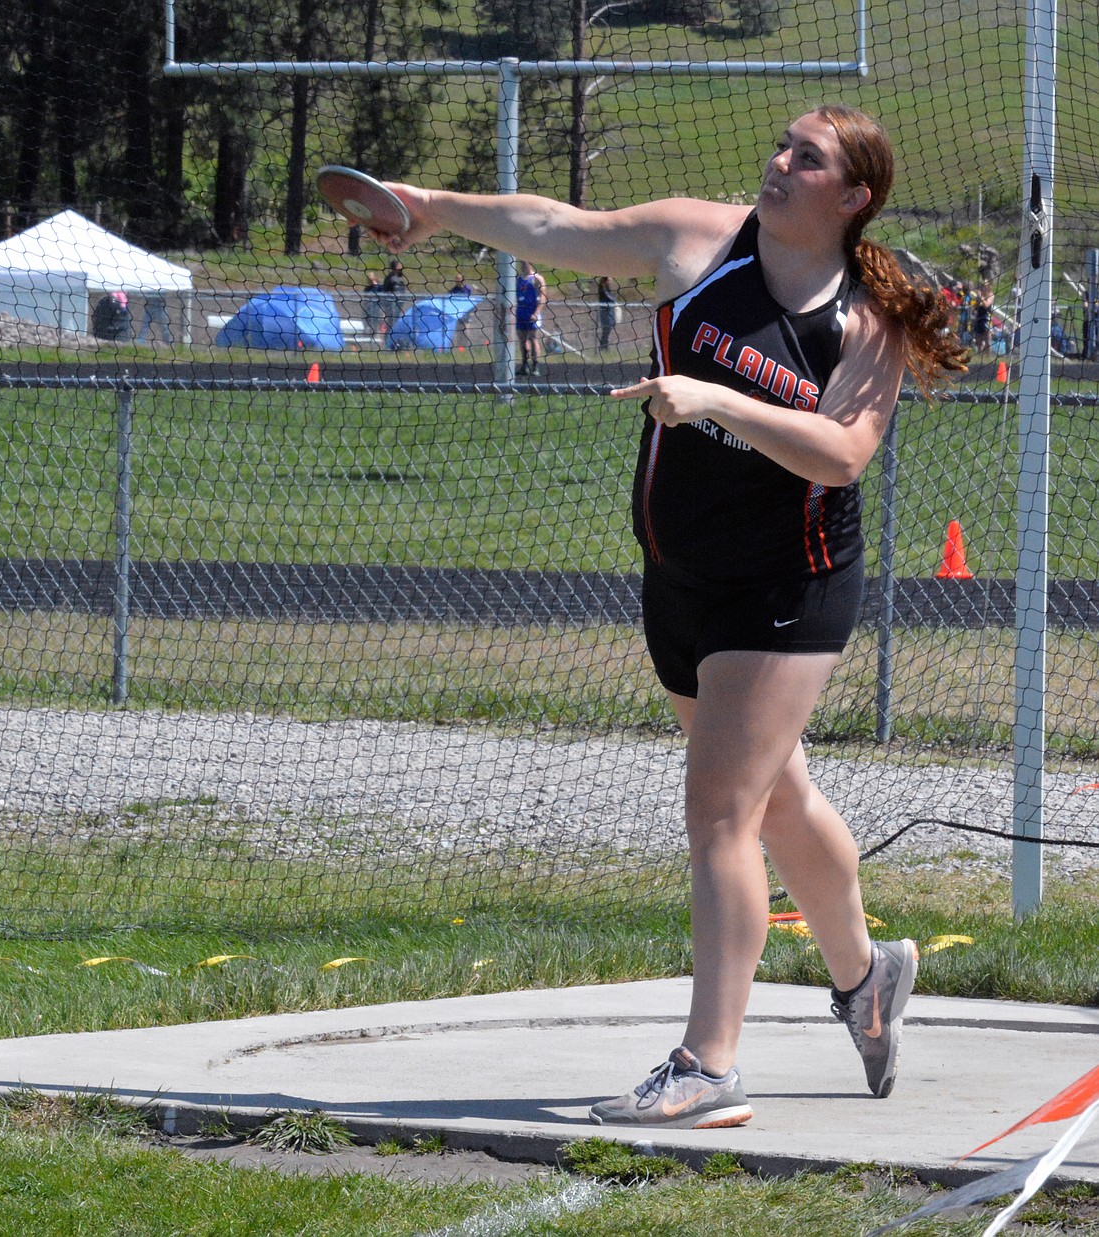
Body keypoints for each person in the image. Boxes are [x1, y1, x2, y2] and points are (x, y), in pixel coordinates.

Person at [369, 104, 966, 1128]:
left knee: (721, 811)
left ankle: (710, 1065)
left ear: (853, 196)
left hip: (790, 584)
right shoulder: (702, 238)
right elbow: (559, 227)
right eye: (778, 144)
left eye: (806, 158)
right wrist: (434, 210)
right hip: (681, 571)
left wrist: (713, 399)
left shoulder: (864, 318)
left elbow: (841, 453)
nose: (778, 162)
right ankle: (867, 976)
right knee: (775, 799)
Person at [515, 260, 546, 374]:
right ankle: (524, 365)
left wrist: (536, 313)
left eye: (524, 262)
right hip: (521, 312)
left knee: (533, 338)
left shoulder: (537, 278)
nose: (522, 264)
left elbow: (543, 298)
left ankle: (536, 365)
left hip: (532, 311)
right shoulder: (518, 279)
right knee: (522, 339)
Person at [381, 258, 408, 335]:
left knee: (398, 323)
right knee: (391, 323)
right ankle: (388, 339)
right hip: (391, 305)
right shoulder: (389, 279)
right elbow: (385, 291)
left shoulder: (400, 278)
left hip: (399, 305)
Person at [596, 275, 618, 351]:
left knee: (610, 326)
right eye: (609, 279)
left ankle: (604, 345)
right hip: (604, 310)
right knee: (606, 328)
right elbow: (608, 297)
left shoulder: (607, 288)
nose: (611, 281)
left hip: (609, 309)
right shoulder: (603, 288)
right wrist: (614, 299)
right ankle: (603, 346)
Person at [973, 280, 995, 352]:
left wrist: (981, 297)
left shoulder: (991, 295)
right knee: (978, 340)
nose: (983, 287)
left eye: (985, 286)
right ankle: (980, 354)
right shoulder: (979, 296)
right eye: (982, 286)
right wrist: (978, 300)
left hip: (987, 318)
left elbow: (986, 305)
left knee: (988, 340)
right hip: (979, 317)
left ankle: (988, 355)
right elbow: (975, 307)